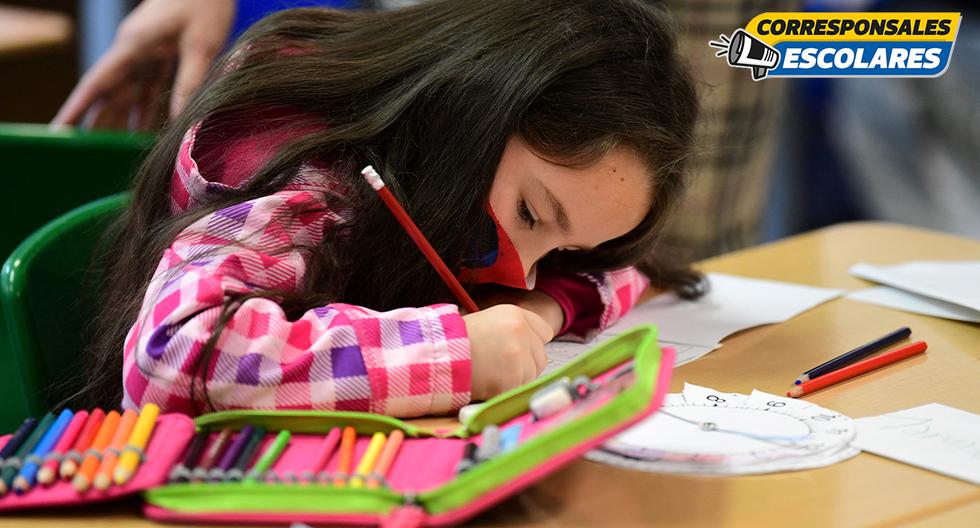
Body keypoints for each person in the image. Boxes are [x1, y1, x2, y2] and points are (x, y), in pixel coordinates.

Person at [79, 0, 702, 418]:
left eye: (566, 253)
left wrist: (539, 308)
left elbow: (632, 268)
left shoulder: (439, 164)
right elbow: (173, 356)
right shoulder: (309, 174)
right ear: (468, 108)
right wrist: (458, 354)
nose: (521, 274)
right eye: (532, 216)